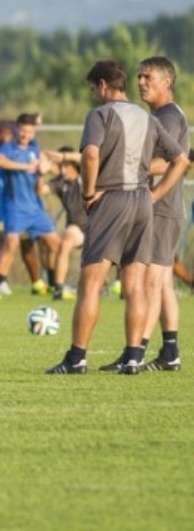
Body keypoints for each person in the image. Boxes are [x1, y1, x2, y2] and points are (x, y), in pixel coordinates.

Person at [46, 59, 189, 375]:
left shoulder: (101, 114)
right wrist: (153, 195)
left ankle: (77, 358)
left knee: (91, 283)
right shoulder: (147, 117)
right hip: (142, 202)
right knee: (135, 285)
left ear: (101, 85)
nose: (94, 95)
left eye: (93, 88)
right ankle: (134, 356)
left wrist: (88, 193)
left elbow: (91, 154)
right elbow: (180, 159)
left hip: (113, 198)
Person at [103, 56, 190, 372]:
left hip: (161, 208)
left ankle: (134, 354)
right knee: (163, 282)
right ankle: (170, 353)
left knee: (151, 283)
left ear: (167, 82)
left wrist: (122, 171)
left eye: (147, 77)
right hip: (163, 207)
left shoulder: (166, 117)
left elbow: (165, 163)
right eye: (138, 76)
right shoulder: (164, 114)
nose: (140, 82)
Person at [0, 115, 60, 299]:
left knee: (54, 243)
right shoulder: (8, 148)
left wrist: (46, 168)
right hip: (14, 207)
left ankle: (53, 284)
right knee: (10, 243)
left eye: (30, 131)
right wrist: (24, 166)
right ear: (16, 130)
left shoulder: (35, 150)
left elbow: (55, 170)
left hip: (35, 208)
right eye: (23, 130)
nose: (26, 134)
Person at [0, 120, 44, 296]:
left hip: (20, 203)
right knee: (5, 240)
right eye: (1, 134)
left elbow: (35, 150)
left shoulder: (24, 147)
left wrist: (35, 122)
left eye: (9, 134)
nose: (6, 137)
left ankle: (37, 282)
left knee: (27, 241)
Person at [40, 146, 88, 300]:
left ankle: (108, 286)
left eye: (66, 166)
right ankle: (57, 287)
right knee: (51, 240)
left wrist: (61, 156)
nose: (63, 170)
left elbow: (85, 157)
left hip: (96, 228)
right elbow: (42, 190)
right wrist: (40, 172)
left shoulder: (87, 176)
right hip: (77, 230)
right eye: (61, 166)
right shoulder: (62, 182)